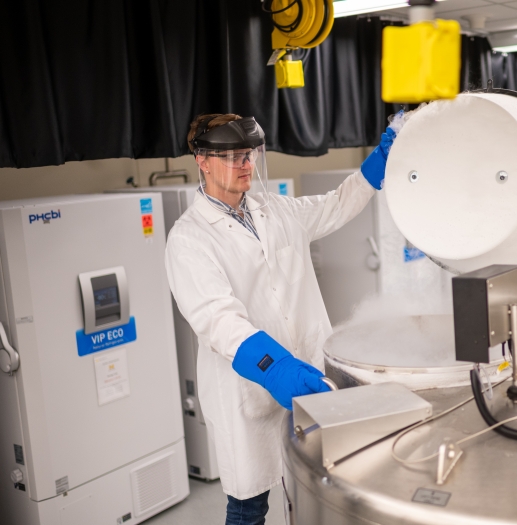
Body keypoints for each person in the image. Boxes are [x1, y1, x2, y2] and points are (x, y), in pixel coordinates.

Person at [165, 113, 396, 525]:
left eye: (249, 155)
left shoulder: (275, 210)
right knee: (249, 505)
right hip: (250, 391)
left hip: (306, 375)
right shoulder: (190, 239)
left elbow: (336, 205)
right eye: (233, 157)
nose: (245, 166)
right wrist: (276, 368)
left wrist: (381, 159)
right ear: (202, 160)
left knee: (310, 486)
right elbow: (219, 320)